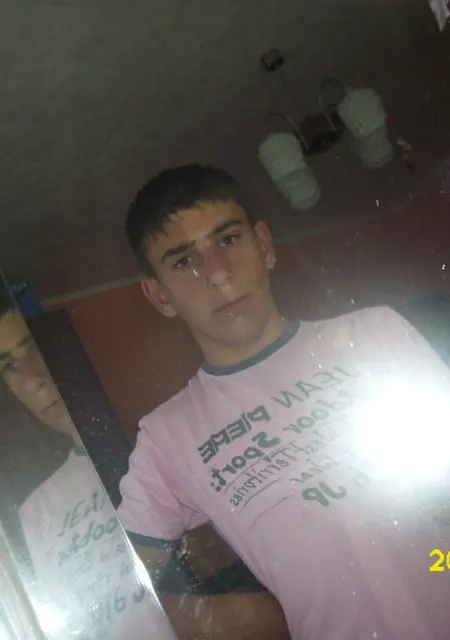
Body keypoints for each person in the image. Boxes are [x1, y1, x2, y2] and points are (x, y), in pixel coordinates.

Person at [117, 163, 450, 640]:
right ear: (160, 296)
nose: (218, 273)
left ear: (264, 245)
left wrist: (441, 564)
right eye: (184, 261)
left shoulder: (375, 332)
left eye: (228, 239)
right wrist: (229, 617)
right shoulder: (167, 437)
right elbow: (114, 586)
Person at [0, 280, 177, 640]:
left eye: (33, 347)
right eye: (10, 366)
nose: (33, 379)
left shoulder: (163, 440)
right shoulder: (37, 513)